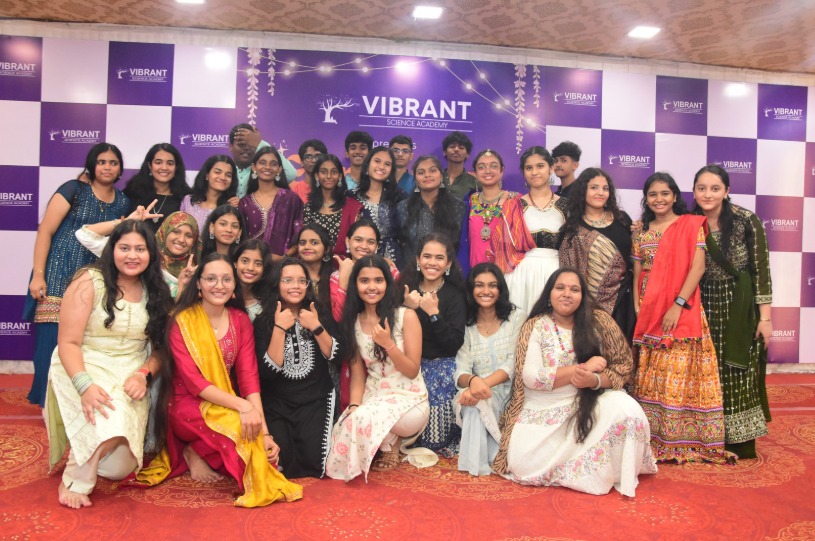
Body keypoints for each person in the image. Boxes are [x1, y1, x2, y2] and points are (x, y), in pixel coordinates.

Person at [134, 253, 303, 507]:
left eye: (226, 279)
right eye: (211, 278)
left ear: (235, 286)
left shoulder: (241, 320)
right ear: (198, 284)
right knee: (240, 435)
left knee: (260, 448)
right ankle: (192, 447)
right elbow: (194, 383)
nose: (219, 285)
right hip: (186, 404)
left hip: (225, 401)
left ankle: (196, 449)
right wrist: (242, 407)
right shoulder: (182, 321)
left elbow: (248, 378)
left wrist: (265, 432)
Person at [493, 269, 658, 496]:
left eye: (574, 289)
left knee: (628, 411)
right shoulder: (536, 325)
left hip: (586, 402)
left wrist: (595, 380)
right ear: (549, 294)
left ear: (583, 296)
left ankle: (609, 470)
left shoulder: (598, 322)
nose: (566, 294)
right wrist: (581, 369)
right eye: (560, 288)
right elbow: (531, 378)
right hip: (542, 408)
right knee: (523, 463)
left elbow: (622, 367)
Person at [46, 220, 172, 508]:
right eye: (124, 247)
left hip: (131, 368)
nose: (132, 255)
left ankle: (87, 444)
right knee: (108, 415)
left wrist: (143, 374)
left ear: (151, 254)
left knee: (120, 468)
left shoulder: (156, 289)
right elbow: (68, 343)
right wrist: (84, 385)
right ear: (111, 249)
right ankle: (78, 477)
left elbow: (162, 349)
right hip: (83, 362)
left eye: (140, 249)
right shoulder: (90, 280)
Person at [631, 172, 731, 463]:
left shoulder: (689, 225)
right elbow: (638, 271)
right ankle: (654, 438)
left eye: (665, 193)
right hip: (649, 309)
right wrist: (640, 306)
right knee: (653, 375)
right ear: (646, 199)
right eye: (653, 194)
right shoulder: (641, 232)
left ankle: (682, 440)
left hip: (681, 308)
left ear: (675, 196)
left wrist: (677, 304)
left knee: (679, 371)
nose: (659, 199)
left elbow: (697, 268)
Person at [28, 143, 131, 407]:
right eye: (102, 162)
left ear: (120, 168)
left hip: (93, 277)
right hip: (57, 270)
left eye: (113, 162)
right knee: (51, 341)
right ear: (92, 165)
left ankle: (73, 400)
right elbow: (45, 231)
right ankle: (47, 402)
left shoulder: (123, 201)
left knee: (80, 341)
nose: (107, 167)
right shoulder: (73, 190)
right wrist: (38, 274)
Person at [325, 255, 434, 481]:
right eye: (365, 281)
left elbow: (412, 370)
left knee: (363, 418)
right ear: (356, 284)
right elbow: (357, 373)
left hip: (409, 400)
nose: (372, 287)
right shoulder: (352, 322)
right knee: (346, 424)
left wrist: (389, 345)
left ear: (387, 283)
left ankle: (390, 444)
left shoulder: (406, 316)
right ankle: (382, 438)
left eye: (378, 280)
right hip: (374, 396)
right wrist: (354, 405)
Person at [693, 164, 773, 459]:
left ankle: (740, 441)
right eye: (702, 188)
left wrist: (765, 318)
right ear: (694, 191)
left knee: (738, 369)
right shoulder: (690, 222)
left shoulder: (745, 220)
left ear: (726, 191)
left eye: (715, 188)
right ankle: (709, 435)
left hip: (740, 303)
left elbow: (761, 270)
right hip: (703, 303)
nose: (708, 194)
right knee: (708, 369)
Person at [253, 258, 339, 478]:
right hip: (277, 405)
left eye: (302, 281)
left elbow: (336, 356)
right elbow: (267, 374)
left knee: (314, 464)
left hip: (316, 401)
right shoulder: (263, 321)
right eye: (288, 280)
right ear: (277, 284)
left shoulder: (317, 312)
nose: (296, 286)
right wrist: (280, 328)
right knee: (281, 465)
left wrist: (316, 327)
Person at [453, 263, 524, 476]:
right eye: (479, 285)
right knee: (474, 404)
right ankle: (476, 466)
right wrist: (473, 382)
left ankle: (490, 456)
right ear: (471, 289)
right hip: (479, 393)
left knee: (511, 457)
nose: (486, 291)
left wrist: (480, 384)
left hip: (513, 395)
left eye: (492, 285)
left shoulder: (516, 317)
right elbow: (461, 369)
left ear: (501, 289)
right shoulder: (466, 325)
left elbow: (514, 362)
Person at [401, 233, 466, 454]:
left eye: (439, 258)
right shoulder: (405, 289)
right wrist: (406, 307)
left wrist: (433, 314)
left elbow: (453, 344)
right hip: (408, 366)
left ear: (448, 263)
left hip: (441, 366)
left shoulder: (455, 295)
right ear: (418, 260)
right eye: (427, 256)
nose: (432, 262)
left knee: (434, 440)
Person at [329, 219, 401, 410]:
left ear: (377, 246)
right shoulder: (337, 276)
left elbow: (397, 310)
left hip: (386, 349)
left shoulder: (390, 272)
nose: (364, 246)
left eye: (370, 242)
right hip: (354, 348)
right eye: (358, 240)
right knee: (355, 404)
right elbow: (339, 318)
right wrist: (344, 280)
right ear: (347, 242)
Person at [558, 167, 636, 340]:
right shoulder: (573, 229)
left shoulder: (623, 219)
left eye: (605, 188)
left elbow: (636, 257)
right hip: (587, 307)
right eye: (594, 187)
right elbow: (568, 271)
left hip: (624, 301)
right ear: (582, 191)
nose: (600, 193)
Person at [505, 146, 567, 315]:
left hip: (556, 274)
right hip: (520, 275)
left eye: (540, 166)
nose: (535, 172)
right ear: (523, 172)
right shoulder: (514, 205)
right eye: (529, 167)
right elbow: (505, 247)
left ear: (551, 168)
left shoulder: (566, 206)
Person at [464, 149, 534, 279]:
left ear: (502, 170)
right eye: (481, 167)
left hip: (507, 274)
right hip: (476, 274)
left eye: (493, 166)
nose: (488, 171)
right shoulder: (470, 201)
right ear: (475, 173)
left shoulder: (515, 200)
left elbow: (521, 241)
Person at [396, 155, 467, 268]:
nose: (427, 175)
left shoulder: (458, 207)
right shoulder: (403, 208)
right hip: (411, 273)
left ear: (441, 175)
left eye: (432, 170)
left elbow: (462, 246)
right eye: (421, 172)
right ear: (415, 179)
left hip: (449, 274)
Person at [239, 146, 303, 261]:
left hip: (284, 266)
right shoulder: (244, 203)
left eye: (273, 164)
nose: (267, 167)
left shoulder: (291, 199)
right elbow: (240, 238)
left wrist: (284, 257)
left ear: (279, 169)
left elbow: (301, 235)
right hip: (251, 265)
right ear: (254, 167)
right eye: (262, 163)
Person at [353, 146, 406, 267]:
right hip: (363, 258)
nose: (381, 167)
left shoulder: (399, 197)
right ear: (367, 166)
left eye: (387, 164)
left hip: (394, 261)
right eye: (377, 161)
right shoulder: (352, 197)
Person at [122, 143, 191, 233]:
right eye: (158, 162)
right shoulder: (132, 192)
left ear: (176, 167)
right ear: (150, 166)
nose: (164, 167)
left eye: (170, 163)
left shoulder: (186, 198)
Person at [303, 153, 362, 255]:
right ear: (317, 176)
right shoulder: (309, 208)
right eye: (324, 172)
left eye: (333, 172)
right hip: (315, 265)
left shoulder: (352, 206)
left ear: (339, 176)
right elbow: (305, 242)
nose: (329, 176)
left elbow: (358, 240)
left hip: (345, 265)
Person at [229, 124, 296, 198]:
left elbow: (291, 174)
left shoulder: (262, 172)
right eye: (241, 144)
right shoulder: (225, 171)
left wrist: (259, 143)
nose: (246, 148)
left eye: (250, 145)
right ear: (231, 147)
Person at [180, 154, 239, 233]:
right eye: (217, 172)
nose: (223, 177)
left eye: (228, 175)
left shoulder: (232, 206)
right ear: (207, 175)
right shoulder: (189, 201)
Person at [296, 224, 334, 312]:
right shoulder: (289, 274)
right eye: (302, 243)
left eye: (314, 243)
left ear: (327, 249)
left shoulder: (335, 277)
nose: (307, 247)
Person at [234, 239, 271, 322]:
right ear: (235, 263)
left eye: (258, 264)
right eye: (245, 261)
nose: (250, 268)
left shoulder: (268, 302)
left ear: (264, 268)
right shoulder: (224, 296)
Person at [441, 131, 478, 201]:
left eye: (461, 147)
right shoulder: (435, 178)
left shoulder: (474, 183)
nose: (456, 150)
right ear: (444, 152)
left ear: (467, 154)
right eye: (452, 147)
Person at [290, 139, 328, 204]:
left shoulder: (331, 187)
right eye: (308, 157)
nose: (313, 160)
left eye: (318, 156)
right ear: (301, 162)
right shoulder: (294, 191)